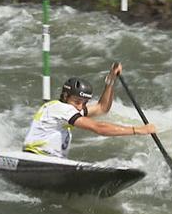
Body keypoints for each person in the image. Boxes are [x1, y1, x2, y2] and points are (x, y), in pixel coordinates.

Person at [22, 64, 157, 159]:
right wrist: (138, 130)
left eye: (84, 103)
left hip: (51, 160)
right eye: (77, 101)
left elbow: (102, 108)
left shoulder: (69, 109)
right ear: (65, 96)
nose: (80, 107)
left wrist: (110, 81)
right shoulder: (60, 108)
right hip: (36, 156)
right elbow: (99, 128)